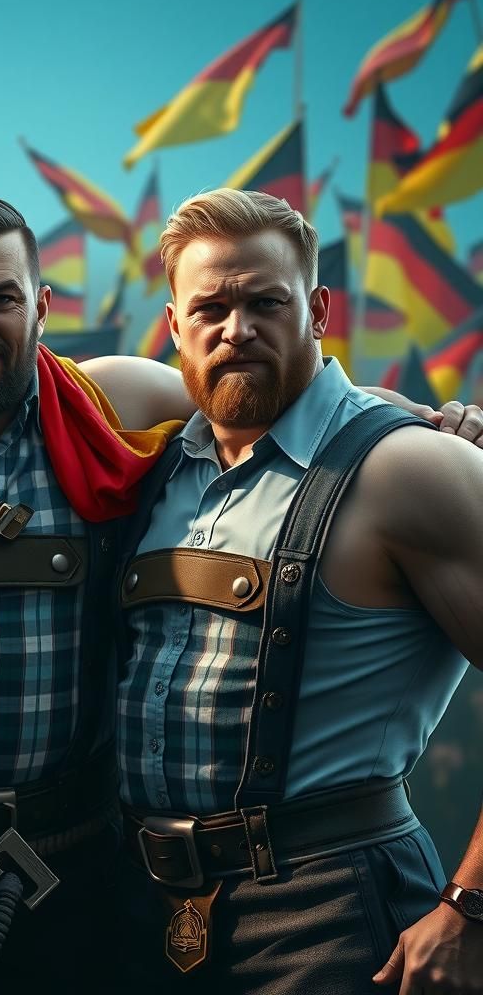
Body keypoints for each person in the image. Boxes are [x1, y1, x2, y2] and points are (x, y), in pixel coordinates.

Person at [0, 191, 475, 993]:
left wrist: (470, 907)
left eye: (0, 298)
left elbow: (309, 409)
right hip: (72, 906)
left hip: (268, 902)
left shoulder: (118, 414)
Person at [111, 188, 483, 994]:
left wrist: (472, 905)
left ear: (316, 309)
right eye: (208, 307)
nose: (235, 328)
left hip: (335, 915)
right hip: (142, 912)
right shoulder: (156, 456)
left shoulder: (412, 467)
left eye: (264, 303)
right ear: (172, 327)